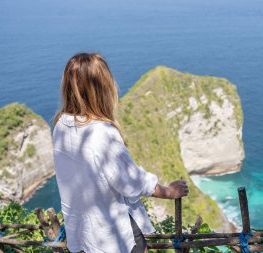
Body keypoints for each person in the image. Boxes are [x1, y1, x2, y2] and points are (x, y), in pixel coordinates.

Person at [52, 53, 189, 253]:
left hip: (82, 235)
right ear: (102, 88)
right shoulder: (102, 133)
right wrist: (169, 191)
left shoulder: (61, 125)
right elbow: (130, 182)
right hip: (111, 237)